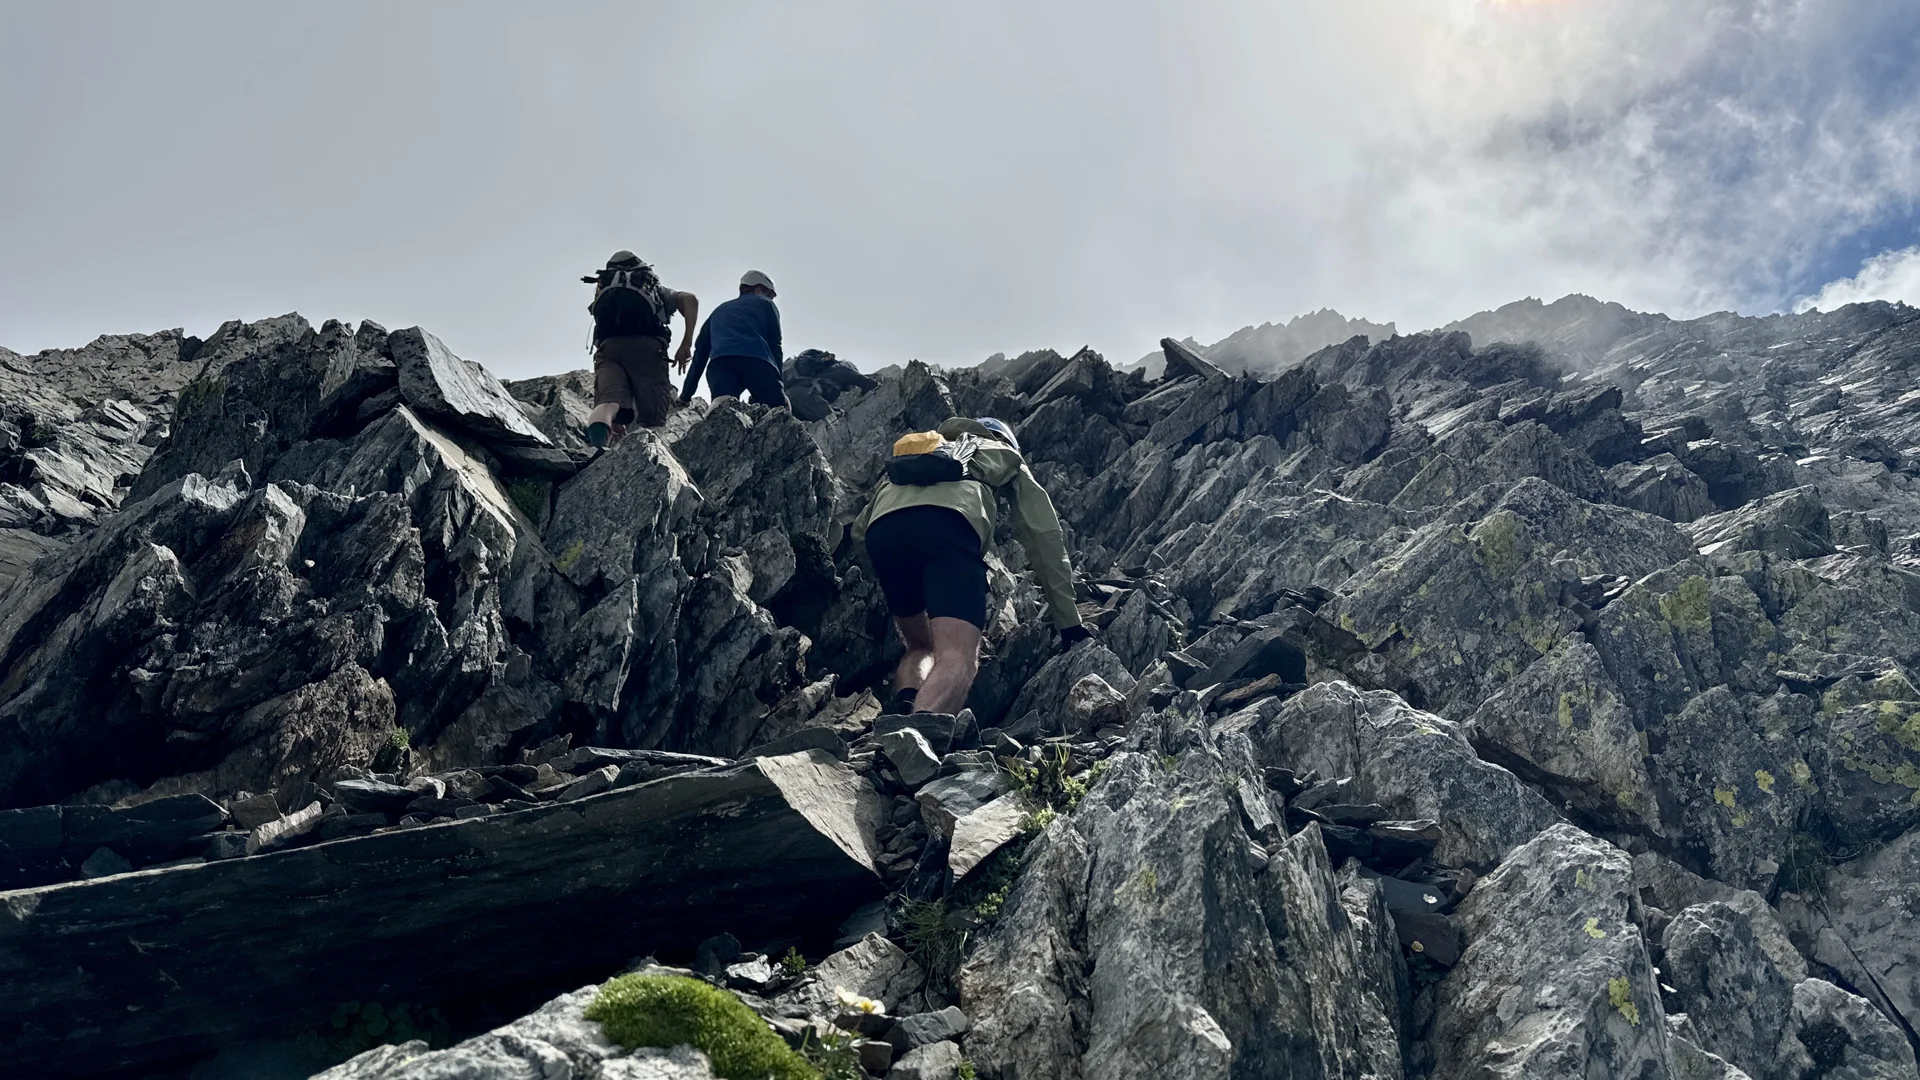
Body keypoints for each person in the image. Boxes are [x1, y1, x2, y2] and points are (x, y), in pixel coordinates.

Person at [854, 417, 1091, 715]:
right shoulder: (999, 451)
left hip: (883, 533)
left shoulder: (924, 449)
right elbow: (1042, 534)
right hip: (948, 525)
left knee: (920, 644)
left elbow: (861, 529)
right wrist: (1068, 621)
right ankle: (916, 733)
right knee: (958, 655)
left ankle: (903, 707)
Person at [581, 251, 698, 446]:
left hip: (608, 349)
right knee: (653, 418)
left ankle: (597, 448)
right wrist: (686, 343)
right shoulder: (652, 286)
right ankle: (651, 461)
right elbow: (690, 299)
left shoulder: (606, 288)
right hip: (648, 349)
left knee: (607, 403)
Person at [680, 270, 787, 409]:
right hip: (757, 363)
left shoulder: (718, 311)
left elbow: (700, 355)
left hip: (721, 364)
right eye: (770, 295)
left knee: (722, 409)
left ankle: (718, 408)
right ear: (759, 289)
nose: (771, 299)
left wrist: (685, 396)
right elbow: (775, 346)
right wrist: (779, 389)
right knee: (776, 412)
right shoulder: (766, 304)